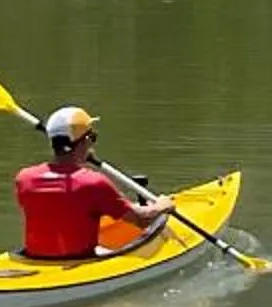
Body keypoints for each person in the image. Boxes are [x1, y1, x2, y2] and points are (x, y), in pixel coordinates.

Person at [14, 105, 174, 260]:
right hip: (79, 260)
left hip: (36, 259)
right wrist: (161, 206)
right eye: (93, 137)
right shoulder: (94, 183)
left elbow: (60, 207)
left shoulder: (25, 178)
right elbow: (141, 220)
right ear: (85, 141)